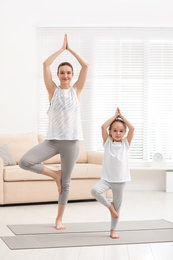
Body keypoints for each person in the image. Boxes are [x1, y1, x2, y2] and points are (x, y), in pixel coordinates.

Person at [19, 34, 89, 230]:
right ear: (57, 75)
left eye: (68, 73)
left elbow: (85, 66)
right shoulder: (52, 90)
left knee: (66, 183)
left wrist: (71, 49)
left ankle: (59, 219)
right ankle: (55, 175)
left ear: (72, 75)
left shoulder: (77, 90)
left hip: (71, 143)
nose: (65, 76)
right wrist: (61, 49)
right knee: (25, 162)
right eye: (62, 73)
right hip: (52, 141)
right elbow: (45, 65)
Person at [91, 107, 134, 239]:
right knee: (95, 191)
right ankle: (110, 207)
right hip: (106, 179)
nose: (118, 133)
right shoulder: (107, 142)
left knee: (118, 208)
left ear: (124, 133)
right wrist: (114, 116)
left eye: (121, 131)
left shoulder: (126, 143)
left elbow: (132, 128)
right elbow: (103, 126)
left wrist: (122, 116)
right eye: (114, 130)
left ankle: (112, 230)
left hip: (120, 180)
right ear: (110, 132)